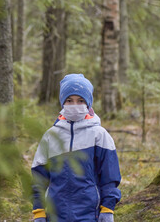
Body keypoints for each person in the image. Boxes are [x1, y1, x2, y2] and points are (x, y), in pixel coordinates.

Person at [31, 74, 122, 222]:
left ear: (88, 103)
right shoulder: (50, 136)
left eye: (80, 100)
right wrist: (39, 211)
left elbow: (110, 176)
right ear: (62, 103)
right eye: (69, 100)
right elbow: (39, 178)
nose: (75, 105)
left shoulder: (99, 135)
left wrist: (108, 209)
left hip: (90, 214)